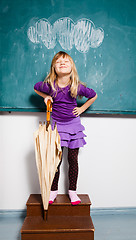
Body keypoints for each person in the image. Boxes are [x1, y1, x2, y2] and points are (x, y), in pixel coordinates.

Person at [34, 51, 97, 205]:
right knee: (56, 160)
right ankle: (53, 191)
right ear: (54, 68)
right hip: (57, 125)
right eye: (58, 61)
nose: (62, 63)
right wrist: (46, 97)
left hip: (74, 125)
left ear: (72, 67)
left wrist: (82, 109)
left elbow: (93, 95)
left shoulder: (76, 86)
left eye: (66, 61)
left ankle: (72, 192)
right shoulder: (50, 85)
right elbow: (36, 88)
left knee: (73, 160)